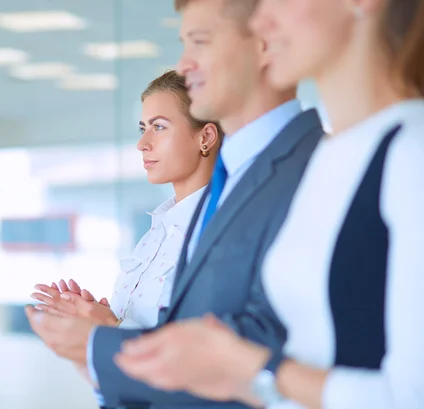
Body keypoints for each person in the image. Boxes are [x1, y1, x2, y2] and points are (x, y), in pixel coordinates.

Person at [114, 0, 424, 408]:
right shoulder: (330, 158)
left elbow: (409, 396)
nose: (260, 21)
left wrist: (249, 366)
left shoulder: (410, 151)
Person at [26, 0, 324, 407]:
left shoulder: (307, 170)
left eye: (200, 42)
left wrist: (105, 340)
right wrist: (97, 339)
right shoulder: (202, 200)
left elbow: (256, 345)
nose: (186, 65)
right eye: (143, 128)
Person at [31, 70, 223, 329]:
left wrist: (112, 324)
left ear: (206, 137)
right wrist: (94, 318)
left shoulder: (221, 230)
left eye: (159, 127)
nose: (142, 143)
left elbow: (204, 348)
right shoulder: (156, 233)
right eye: (143, 129)